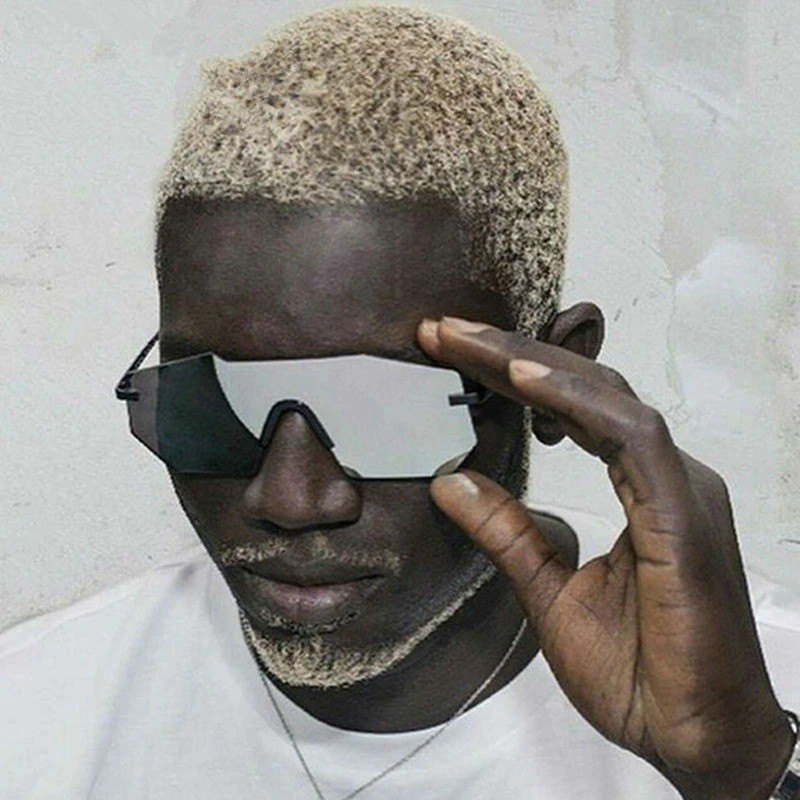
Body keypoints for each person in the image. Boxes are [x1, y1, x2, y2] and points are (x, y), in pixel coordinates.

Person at [2, 6, 799, 799]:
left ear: (558, 385)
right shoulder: (32, 715)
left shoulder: (762, 696)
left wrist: (744, 778)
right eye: (214, 399)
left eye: (384, 406)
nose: (291, 500)